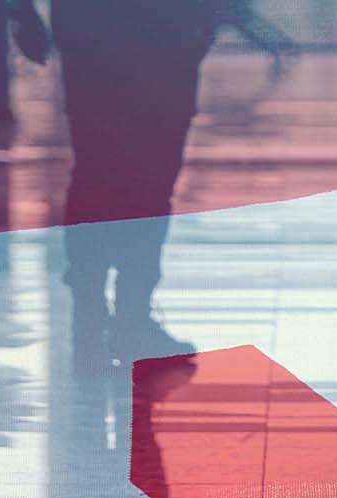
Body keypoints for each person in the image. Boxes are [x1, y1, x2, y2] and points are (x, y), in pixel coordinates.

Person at [43, 0, 218, 364]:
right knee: (151, 178)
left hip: (91, 33)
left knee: (95, 170)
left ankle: (90, 313)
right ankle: (130, 316)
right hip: (163, 36)